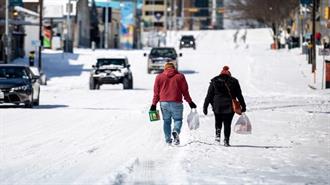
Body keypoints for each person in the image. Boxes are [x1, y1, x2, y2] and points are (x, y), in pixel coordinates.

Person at [150, 62, 197, 145]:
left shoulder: (159, 77)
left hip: (163, 103)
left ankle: (168, 140)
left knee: (166, 121)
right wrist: (190, 102)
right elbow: (185, 91)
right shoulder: (180, 76)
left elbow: (156, 93)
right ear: (174, 68)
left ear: (165, 68)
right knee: (178, 120)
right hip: (177, 102)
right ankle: (176, 131)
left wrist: (153, 104)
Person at [203, 66, 246, 147]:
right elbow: (239, 95)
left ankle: (217, 137)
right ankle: (226, 140)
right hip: (229, 105)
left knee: (218, 122)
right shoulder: (234, 81)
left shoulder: (214, 81)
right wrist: (243, 106)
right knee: (227, 124)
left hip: (217, 105)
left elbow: (209, 95)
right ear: (229, 74)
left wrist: (205, 107)